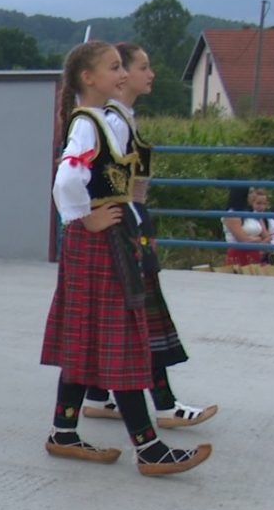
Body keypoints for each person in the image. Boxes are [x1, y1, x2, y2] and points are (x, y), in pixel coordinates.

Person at [41, 41, 211, 477]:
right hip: (97, 242)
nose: (122, 74)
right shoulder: (89, 124)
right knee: (119, 340)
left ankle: (63, 431)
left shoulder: (100, 120)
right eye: (115, 67)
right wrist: (85, 219)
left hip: (103, 241)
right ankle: (148, 447)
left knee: (89, 335)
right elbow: (65, 181)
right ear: (88, 78)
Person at [81, 43, 217, 431]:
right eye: (143, 66)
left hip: (132, 221)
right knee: (140, 321)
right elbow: (104, 184)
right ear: (120, 73)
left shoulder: (123, 118)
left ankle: (95, 395)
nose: (150, 73)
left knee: (120, 320)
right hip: (124, 227)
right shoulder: (112, 122)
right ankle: (164, 405)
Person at [221, 186, 274, 267]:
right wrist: (259, 240)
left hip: (256, 254)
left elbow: (267, 236)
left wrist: (259, 244)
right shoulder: (232, 214)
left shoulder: (253, 213)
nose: (254, 195)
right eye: (250, 192)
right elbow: (243, 240)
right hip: (238, 255)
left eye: (254, 192)